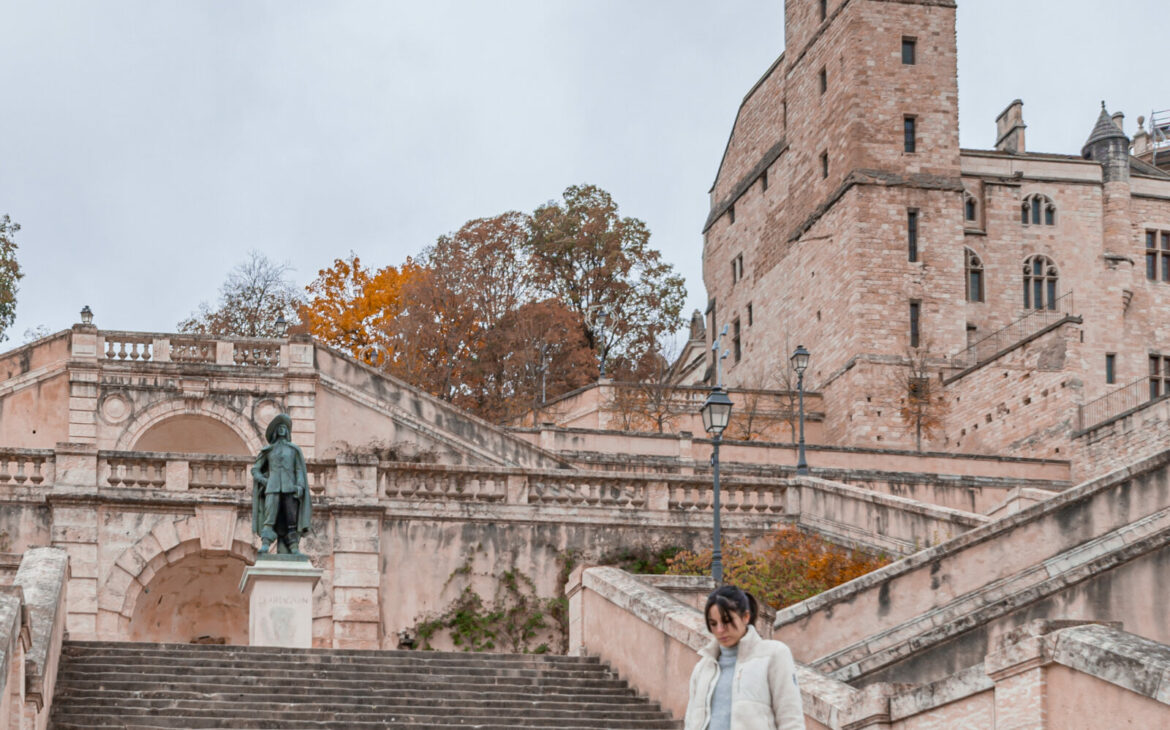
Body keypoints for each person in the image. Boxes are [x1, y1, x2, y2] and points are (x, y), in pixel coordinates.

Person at [684, 585, 804, 730]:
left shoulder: (774, 655)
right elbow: (690, 721)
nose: (720, 630)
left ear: (745, 617)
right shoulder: (703, 667)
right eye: (713, 624)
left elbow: (791, 719)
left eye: (727, 621)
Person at [251, 413, 311, 555]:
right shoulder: (268, 450)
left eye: (285, 427)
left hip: (290, 488)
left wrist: (300, 486)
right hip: (272, 488)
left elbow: (299, 470)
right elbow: (256, 469)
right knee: (269, 517)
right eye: (280, 427)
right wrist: (263, 480)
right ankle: (265, 543)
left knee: (291, 518)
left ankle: (294, 547)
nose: (282, 429)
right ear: (276, 431)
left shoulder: (294, 450)